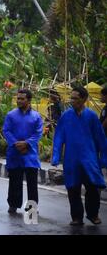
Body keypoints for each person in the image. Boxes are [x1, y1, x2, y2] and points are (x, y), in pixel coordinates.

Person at [52, 86, 107, 226]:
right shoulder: (65, 116)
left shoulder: (92, 116)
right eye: (71, 98)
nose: (72, 101)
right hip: (71, 160)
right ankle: (77, 217)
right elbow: (58, 137)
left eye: (75, 98)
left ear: (84, 99)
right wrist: (56, 156)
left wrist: (104, 157)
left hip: (90, 160)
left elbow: (101, 138)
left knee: (93, 188)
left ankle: (93, 214)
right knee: (73, 189)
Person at [2, 89, 43, 214]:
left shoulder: (36, 116)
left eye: (22, 98)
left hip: (30, 153)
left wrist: (26, 143)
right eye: (18, 98)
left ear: (29, 100)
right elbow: (6, 131)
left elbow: (38, 133)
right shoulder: (11, 115)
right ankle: (13, 204)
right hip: (14, 152)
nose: (18, 100)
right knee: (14, 180)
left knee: (32, 182)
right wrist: (16, 143)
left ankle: (32, 207)